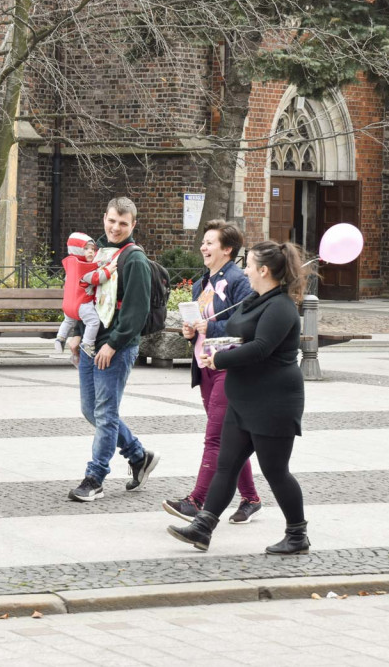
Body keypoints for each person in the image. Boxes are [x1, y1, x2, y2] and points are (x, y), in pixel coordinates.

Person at [167, 240, 310, 555]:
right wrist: (208, 337)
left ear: (264, 270)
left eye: (250, 265)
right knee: (226, 465)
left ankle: (297, 535)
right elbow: (235, 332)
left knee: (275, 471)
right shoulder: (255, 300)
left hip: (273, 402)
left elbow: (261, 348)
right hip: (243, 398)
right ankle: (203, 527)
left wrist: (219, 359)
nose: (245, 271)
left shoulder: (281, 307)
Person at [162, 220, 263, 524]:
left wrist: (211, 327)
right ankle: (251, 498)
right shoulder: (202, 283)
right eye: (203, 242)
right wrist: (191, 332)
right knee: (230, 437)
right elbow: (201, 325)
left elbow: (246, 324)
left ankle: (196, 500)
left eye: (210, 242)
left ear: (227, 249)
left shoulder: (238, 281)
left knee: (216, 437)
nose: (203, 247)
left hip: (228, 366)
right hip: (205, 366)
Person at [66, 197, 159, 502]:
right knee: (90, 410)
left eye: (123, 223)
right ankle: (138, 456)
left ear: (133, 224)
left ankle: (95, 478)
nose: (116, 228)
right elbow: (85, 296)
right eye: (112, 221)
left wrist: (113, 344)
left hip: (115, 347)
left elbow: (136, 311)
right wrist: (77, 333)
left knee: (105, 414)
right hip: (91, 342)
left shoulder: (134, 260)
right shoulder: (98, 252)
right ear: (104, 218)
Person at [55, 232, 110, 359]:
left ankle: (60, 338)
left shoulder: (71, 264)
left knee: (68, 321)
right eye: (86, 249)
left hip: (68, 304)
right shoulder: (83, 269)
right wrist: (109, 269)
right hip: (81, 304)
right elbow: (97, 278)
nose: (91, 252)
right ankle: (88, 343)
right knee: (93, 322)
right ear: (77, 250)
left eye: (93, 249)